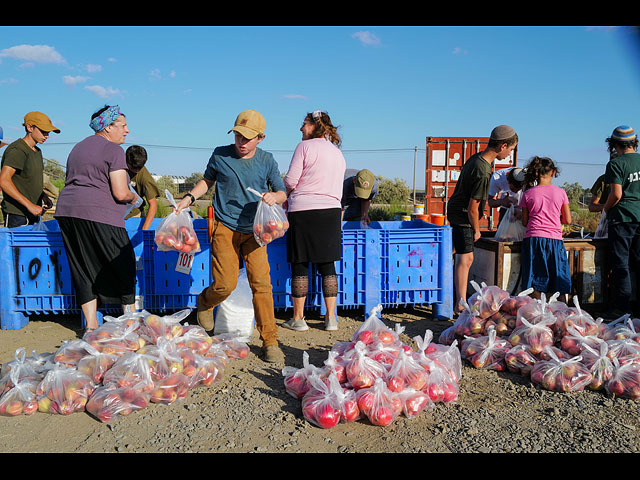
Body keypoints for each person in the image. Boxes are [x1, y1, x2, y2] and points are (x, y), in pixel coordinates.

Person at [175, 110, 287, 363]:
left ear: (261, 137)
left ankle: (270, 340)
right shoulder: (220, 154)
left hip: (255, 231)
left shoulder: (267, 160)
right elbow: (207, 181)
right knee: (225, 284)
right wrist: (189, 198)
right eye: (238, 135)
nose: (241, 142)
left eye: (247, 137)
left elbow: (282, 192)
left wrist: (274, 197)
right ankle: (205, 301)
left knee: (262, 284)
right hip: (224, 226)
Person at [54, 105, 141, 334]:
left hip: (68, 212)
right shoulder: (113, 150)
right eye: (122, 126)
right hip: (99, 214)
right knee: (124, 264)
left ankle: (91, 327)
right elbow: (120, 192)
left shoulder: (78, 148)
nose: (127, 130)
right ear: (108, 127)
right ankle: (129, 323)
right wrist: (134, 198)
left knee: (83, 267)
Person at [282, 110, 346, 332]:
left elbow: (291, 180)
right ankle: (331, 319)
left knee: (300, 264)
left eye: (304, 124)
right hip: (330, 212)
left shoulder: (304, 147)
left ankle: (298, 318)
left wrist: (282, 190)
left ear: (314, 125)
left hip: (304, 210)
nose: (301, 128)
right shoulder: (337, 153)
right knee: (327, 264)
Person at [447, 125, 518, 314]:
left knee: (462, 256)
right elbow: (472, 208)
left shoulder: (477, 159)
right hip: (463, 215)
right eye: (511, 149)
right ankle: (460, 304)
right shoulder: (483, 170)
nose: (510, 154)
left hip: (457, 211)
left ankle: (458, 300)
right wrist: (477, 229)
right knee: (466, 258)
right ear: (503, 146)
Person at [519, 156, 572, 301]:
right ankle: (562, 315)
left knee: (534, 279)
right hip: (554, 240)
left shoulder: (528, 194)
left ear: (536, 173)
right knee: (559, 279)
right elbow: (568, 219)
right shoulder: (561, 193)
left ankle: (536, 315)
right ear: (553, 173)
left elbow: (524, 222)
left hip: (533, 240)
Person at [602, 125, 640, 318]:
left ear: (615, 144)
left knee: (621, 264)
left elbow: (616, 194)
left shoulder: (616, 163)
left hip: (623, 218)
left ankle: (623, 308)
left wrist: (605, 209)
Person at [0, 112, 59, 228]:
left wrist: (43, 196)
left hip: (33, 213)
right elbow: (4, 181)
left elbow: (29, 180)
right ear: (30, 127)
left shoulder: (37, 151)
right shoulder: (17, 150)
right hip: (17, 215)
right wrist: (29, 205)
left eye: (48, 132)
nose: (46, 135)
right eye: (43, 131)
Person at [125, 145, 160, 231]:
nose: (137, 170)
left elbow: (153, 205)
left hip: (134, 215)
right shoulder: (117, 166)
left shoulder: (145, 178)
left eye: (139, 168)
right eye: (133, 167)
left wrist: (144, 230)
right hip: (115, 213)